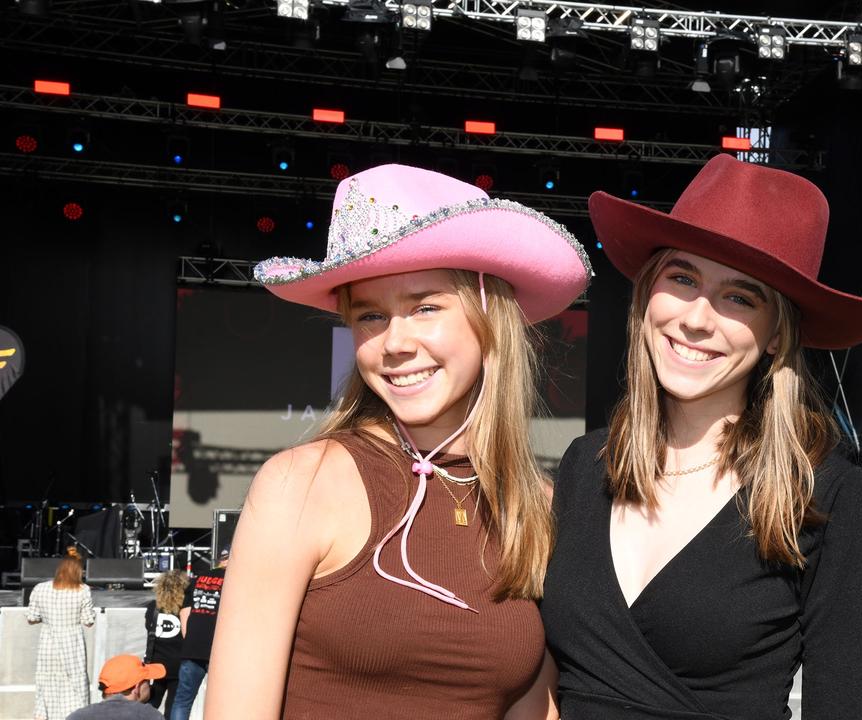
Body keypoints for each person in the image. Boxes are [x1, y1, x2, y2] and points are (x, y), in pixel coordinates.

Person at [205, 163, 591, 720]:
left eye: (425, 307)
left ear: (490, 318)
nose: (393, 343)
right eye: (370, 316)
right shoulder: (302, 485)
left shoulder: (538, 507)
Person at [540, 154, 862, 718]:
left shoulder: (821, 491)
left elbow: (844, 703)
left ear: (777, 336)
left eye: (739, 297)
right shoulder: (585, 465)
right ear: (648, 294)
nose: (697, 318)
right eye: (682, 278)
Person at [26, 549, 96, 720]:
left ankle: (43, 716)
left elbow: (31, 618)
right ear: (78, 571)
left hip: (48, 643)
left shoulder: (40, 588)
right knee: (75, 685)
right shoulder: (83, 590)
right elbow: (88, 621)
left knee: (46, 684)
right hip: (72, 643)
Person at [170, 554, 227, 720]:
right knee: (221, 702)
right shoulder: (235, 580)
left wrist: (191, 641)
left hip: (193, 648)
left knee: (182, 701)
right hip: (220, 650)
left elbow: (184, 613)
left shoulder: (198, 579)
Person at [66, 655, 166, 720]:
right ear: (136, 687)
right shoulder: (151, 716)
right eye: (147, 680)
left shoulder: (77, 717)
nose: (150, 685)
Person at [143, 571, 187, 717]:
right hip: (178, 664)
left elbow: (149, 628)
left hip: (156, 665)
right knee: (173, 707)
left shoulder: (152, 608)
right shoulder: (185, 610)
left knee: (150, 704)